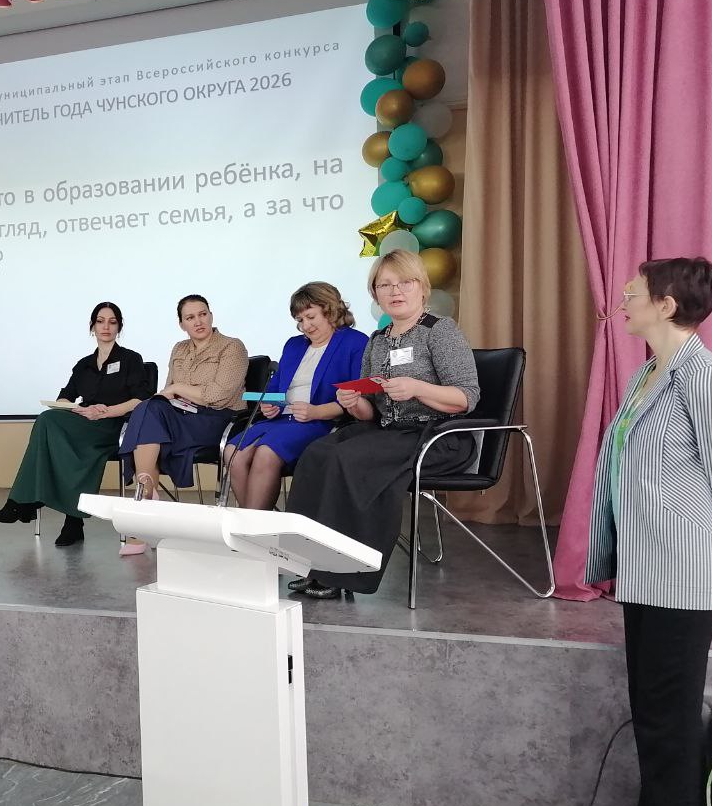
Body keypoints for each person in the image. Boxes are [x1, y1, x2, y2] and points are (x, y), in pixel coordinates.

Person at [583, 257, 712, 806]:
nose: (623, 300)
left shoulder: (705, 377)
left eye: (634, 293)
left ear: (667, 305)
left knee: (666, 729)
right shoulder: (650, 374)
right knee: (659, 723)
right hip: (645, 576)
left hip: (683, 578)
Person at [286, 249, 479, 599]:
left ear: (422, 287)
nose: (395, 291)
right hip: (388, 430)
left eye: (405, 282)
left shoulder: (440, 331)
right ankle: (309, 563)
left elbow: (467, 397)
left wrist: (417, 388)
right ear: (375, 293)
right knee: (316, 454)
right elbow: (371, 413)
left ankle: (341, 573)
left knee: (348, 459)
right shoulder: (378, 340)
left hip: (437, 436)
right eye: (385, 284)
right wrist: (354, 402)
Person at [0, 302, 151, 546]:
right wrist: (76, 409)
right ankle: (67, 521)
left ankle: (26, 502)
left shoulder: (131, 359)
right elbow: (65, 396)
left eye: (112, 322)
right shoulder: (84, 364)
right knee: (48, 419)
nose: (106, 326)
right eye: (100, 321)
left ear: (119, 327)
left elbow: (141, 400)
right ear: (92, 326)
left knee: (54, 429)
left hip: (114, 426)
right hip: (84, 423)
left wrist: (105, 412)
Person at [118, 294, 248, 554]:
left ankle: (144, 503)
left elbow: (218, 395)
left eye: (202, 314)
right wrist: (175, 392)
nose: (198, 321)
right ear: (182, 324)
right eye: (190, 317)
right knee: (150, 409)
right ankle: (147, 491)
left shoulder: (232, 347)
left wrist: (178, 388)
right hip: (180, 417)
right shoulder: (179, 349)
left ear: (211, 315)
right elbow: (168, 393)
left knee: (148, 410)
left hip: (217, 420)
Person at [223, 282, 368, 510]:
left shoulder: (355, 342)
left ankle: (254, 525)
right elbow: (275, 387)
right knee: (232, 453)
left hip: (319, 421)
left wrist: (317, 411)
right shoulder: (293, 345)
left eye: (310, 317)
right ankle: (256, 521)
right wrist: (270, 405)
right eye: (300, 320)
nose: (305, 326)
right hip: (281, 420)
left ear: (330, 310)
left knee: (266, 454)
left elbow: (357, 395)